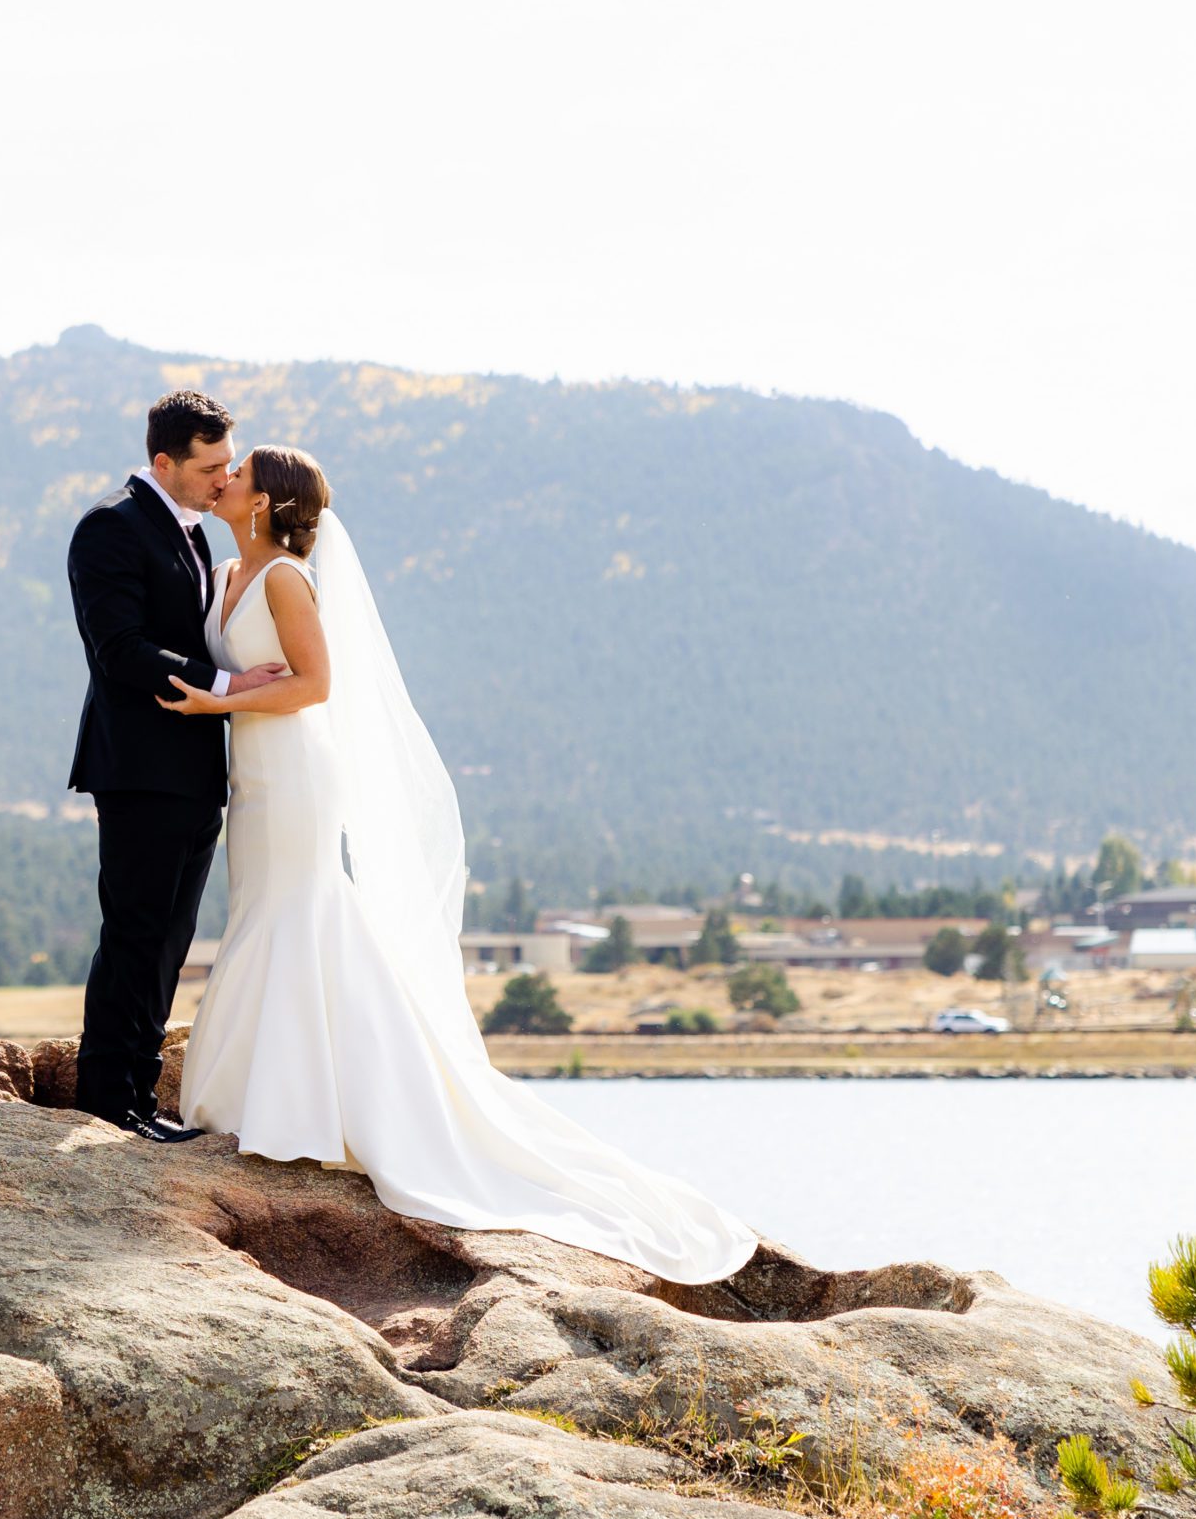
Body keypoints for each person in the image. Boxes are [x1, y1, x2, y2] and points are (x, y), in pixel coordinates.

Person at [153, 444, 756, 1283]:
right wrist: (220, 689)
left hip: (295, 767)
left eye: (239, 475)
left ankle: (307, 1109)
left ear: (264, 502)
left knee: (300, 911)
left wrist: (222, 699)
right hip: (251, 773)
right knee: (261, 912)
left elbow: (315, 684)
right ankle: (272, 1094)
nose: (223, 482)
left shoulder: (289, 579)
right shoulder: (225, 573)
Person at [63, 391, 286, 1140]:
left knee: (168, 939)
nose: (225, 477)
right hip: (139, 769)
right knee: (135, 933)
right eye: (211, 465)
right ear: (164, 462)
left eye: (230, 462)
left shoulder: (191, 531)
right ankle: (108, 1100)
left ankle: (136, 1093)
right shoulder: (110, 527)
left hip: (194, 772)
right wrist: (228, 685)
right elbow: (118, 649)